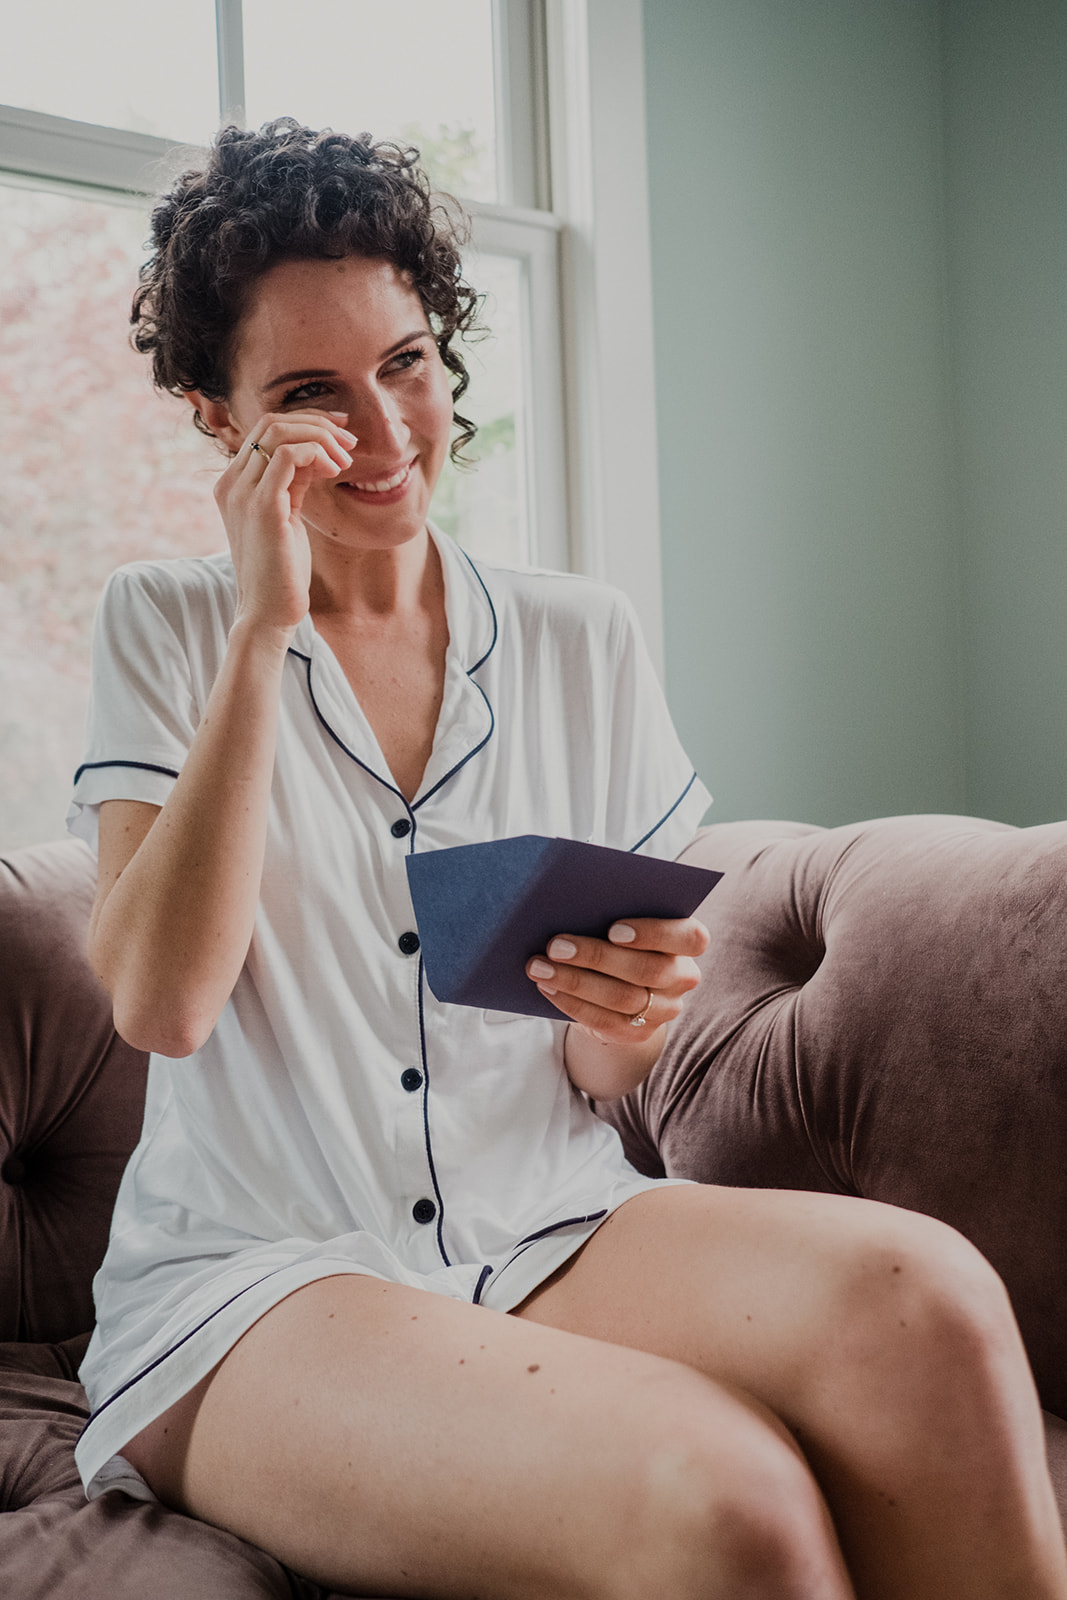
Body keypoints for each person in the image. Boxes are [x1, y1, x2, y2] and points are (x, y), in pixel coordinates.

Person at [69, 119, 1067, 1600]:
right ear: (225, 425)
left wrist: (628, 1012)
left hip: (546, 1215)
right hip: (262, 1280)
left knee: (933, 1300)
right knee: (727, 1502)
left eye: (405, 363)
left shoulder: (578, 636)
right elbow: (163, 1006)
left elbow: (599, 1081)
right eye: (309, 395)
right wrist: (261, 626)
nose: (386, 431)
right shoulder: (165, 626)